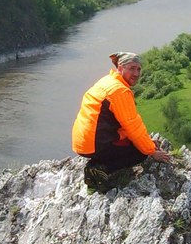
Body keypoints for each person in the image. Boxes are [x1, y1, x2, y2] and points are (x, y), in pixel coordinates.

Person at [72, 51, 172, 189]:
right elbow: (133, 126)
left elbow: (122, 124)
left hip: (83, 142)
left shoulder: (107, 81)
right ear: (120, 68)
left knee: (135, 144)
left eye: (138, 69)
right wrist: (151, 151)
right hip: (94, 144)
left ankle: (97, 163)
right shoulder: (120, 91)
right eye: (132, 68)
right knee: (140, 153)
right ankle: (97, 169)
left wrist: (147, 141)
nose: (136, 73)